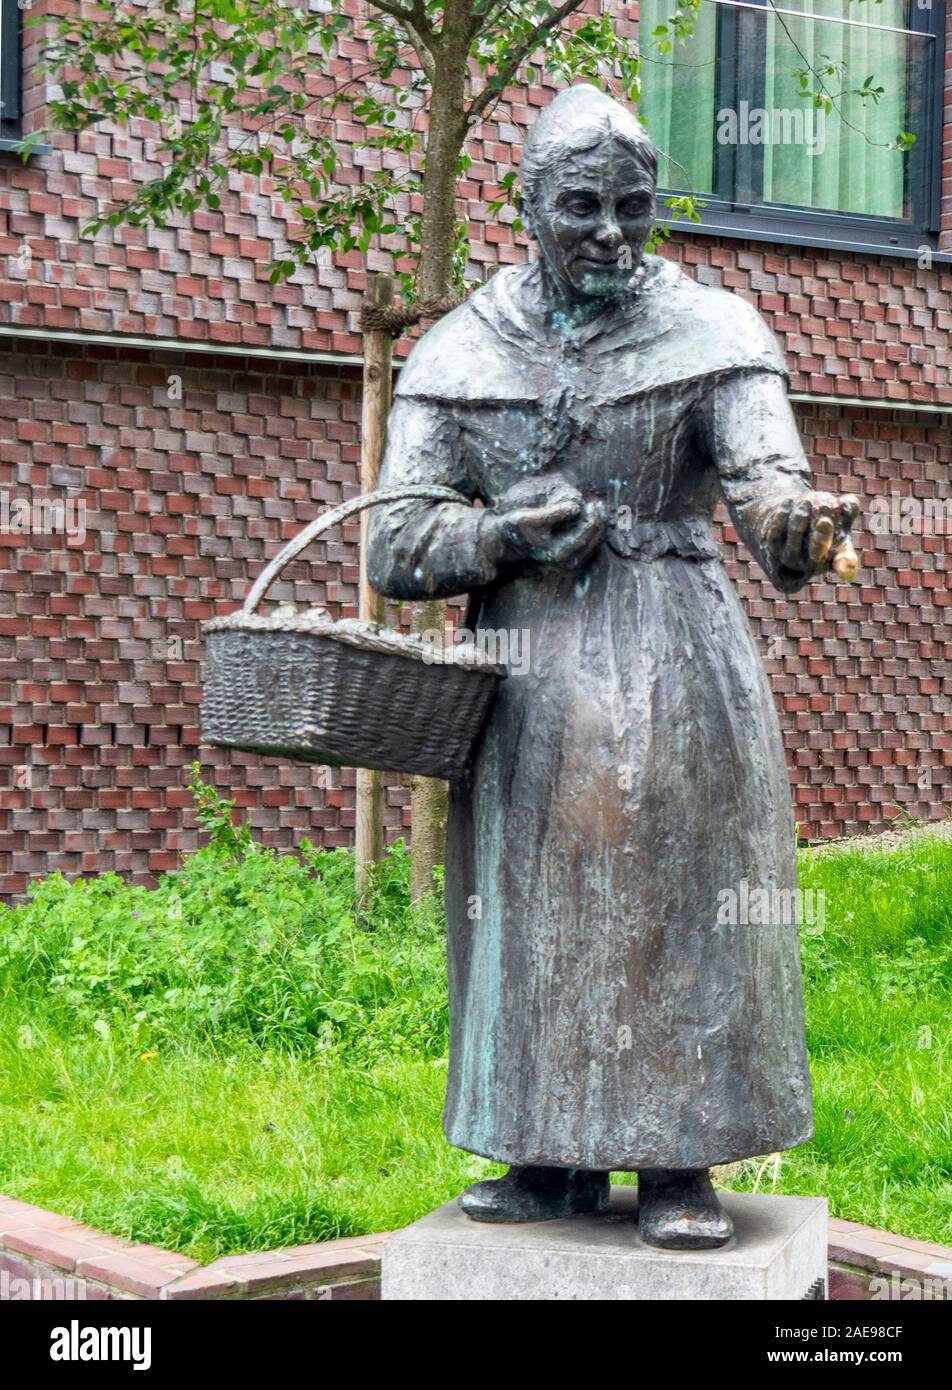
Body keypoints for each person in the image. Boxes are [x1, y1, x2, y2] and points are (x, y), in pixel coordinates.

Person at [367, 84, 859, 1249]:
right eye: (579, 208)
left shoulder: (715, 332)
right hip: (523, 674)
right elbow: (395, 539)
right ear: (526, 206)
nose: (608, 233)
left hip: (673, 657)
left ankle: (681, 1157)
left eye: (632, 209)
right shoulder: (458, 349)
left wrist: (795, 525)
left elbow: (766, 486)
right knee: (529, 908)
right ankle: (543, 1154)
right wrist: (494, 535)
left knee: (677, 899)